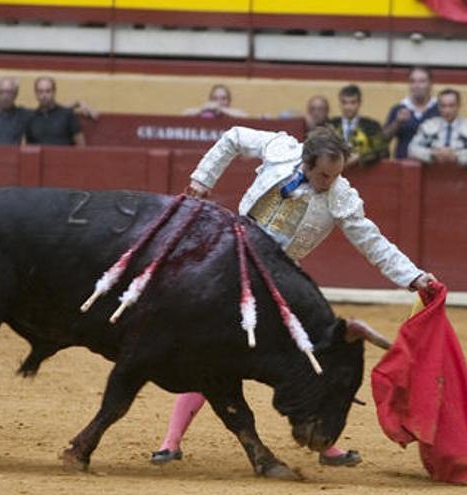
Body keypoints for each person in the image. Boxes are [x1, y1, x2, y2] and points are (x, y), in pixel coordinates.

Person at [151, 126, 438, 468]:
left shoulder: (341, 196)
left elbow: (373, 242)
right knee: (210, 352)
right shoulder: (281, 149)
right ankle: (171, 441)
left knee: (309, 360)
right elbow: (233, 137)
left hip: (280, 278)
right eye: (322, 174)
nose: (328, 181)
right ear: (305, 161)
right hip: (232, 263)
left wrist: (414, 277)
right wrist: (203, 179)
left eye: (335, 174)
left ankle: (324, 445)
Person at [408, 88, 467, 166]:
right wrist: (432, 154)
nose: (447, 110)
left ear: (459, 106)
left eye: (451, 106)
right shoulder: (427, 126)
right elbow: (412, 149)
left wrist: (457, 156)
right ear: (438, 107)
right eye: (443, 106)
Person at [383, 66, 440, 159]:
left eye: (422, 81)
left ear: (431, 84)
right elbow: (383, 140)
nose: (417, 86)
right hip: (403, 167)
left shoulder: (440, 109)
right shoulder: (399, 108)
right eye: (413, 81)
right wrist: (397, 122)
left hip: (433, 167)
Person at [326, 84, 389, 166]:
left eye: (353, 102)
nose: (348, 107)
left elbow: (383, 151)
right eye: (344, 102)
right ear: (340, 103)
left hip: (365, 174)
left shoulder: (372, 126)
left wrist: (361, 157)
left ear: (359, 103)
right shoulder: (329, 125)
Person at [25, 76, 86, 146]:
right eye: (40, 91)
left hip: (64, 156)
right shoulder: (31, 118)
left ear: (54, 92)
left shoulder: (67, 114)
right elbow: (28, 146)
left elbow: (81, 144)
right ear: (36, 94)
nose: (44, 95)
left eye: (48, 91)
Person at [182, 84, 248, 119]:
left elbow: (244, 116)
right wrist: (202, 109)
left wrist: (221, 109)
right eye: (215, 99)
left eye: (223, 98)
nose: (219, 102)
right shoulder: (204, 113)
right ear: (210, 100)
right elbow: (184, 115)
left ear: (229, 100)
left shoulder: (231, 115)